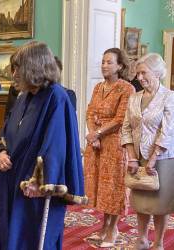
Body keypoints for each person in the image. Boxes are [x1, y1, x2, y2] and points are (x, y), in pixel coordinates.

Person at [0, 41, 85, 250]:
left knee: (31, 239)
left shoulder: (56, 97)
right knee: (7, 235)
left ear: (33, 67)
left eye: (18, 68)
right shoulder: (24, 97)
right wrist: (1, 152)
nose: (14, 74)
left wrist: (39, 181)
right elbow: (7, 130)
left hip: (33, 189)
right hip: (11, 179)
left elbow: (56, 145)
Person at [121, 53, 174, 250]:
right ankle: (142, 239)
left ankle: (158, 242)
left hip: (163, 158)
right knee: (141, 200)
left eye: (143, 73)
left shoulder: (169, 97)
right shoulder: (134, 98)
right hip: (138, 156)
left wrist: (153, 159)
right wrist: (132, 157)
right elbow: (126, 127)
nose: (139, 77)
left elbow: (167, 131)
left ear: (157, 72)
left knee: (161, 204)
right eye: (137, 73)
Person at [83, 48, 134, 247]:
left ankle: (113, 230)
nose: (104, 65)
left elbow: (120, 119)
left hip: (114, 144)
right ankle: (104, 228)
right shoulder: (98, 87)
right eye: (103, 62)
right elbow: (89, 112)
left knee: (113, 188)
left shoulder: (126, 88)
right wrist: (92, 134)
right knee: (100, 189)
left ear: (120, 66)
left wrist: (98, 133)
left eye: (109, 62)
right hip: (96, 144)